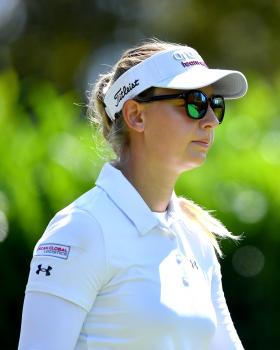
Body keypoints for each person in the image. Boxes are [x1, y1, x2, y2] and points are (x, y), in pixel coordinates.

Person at [18, 38, 248, 350]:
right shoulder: (80, 230)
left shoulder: (195, 238)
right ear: (136, 115)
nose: (210, 121)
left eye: (215, 105)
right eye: (194, 102)